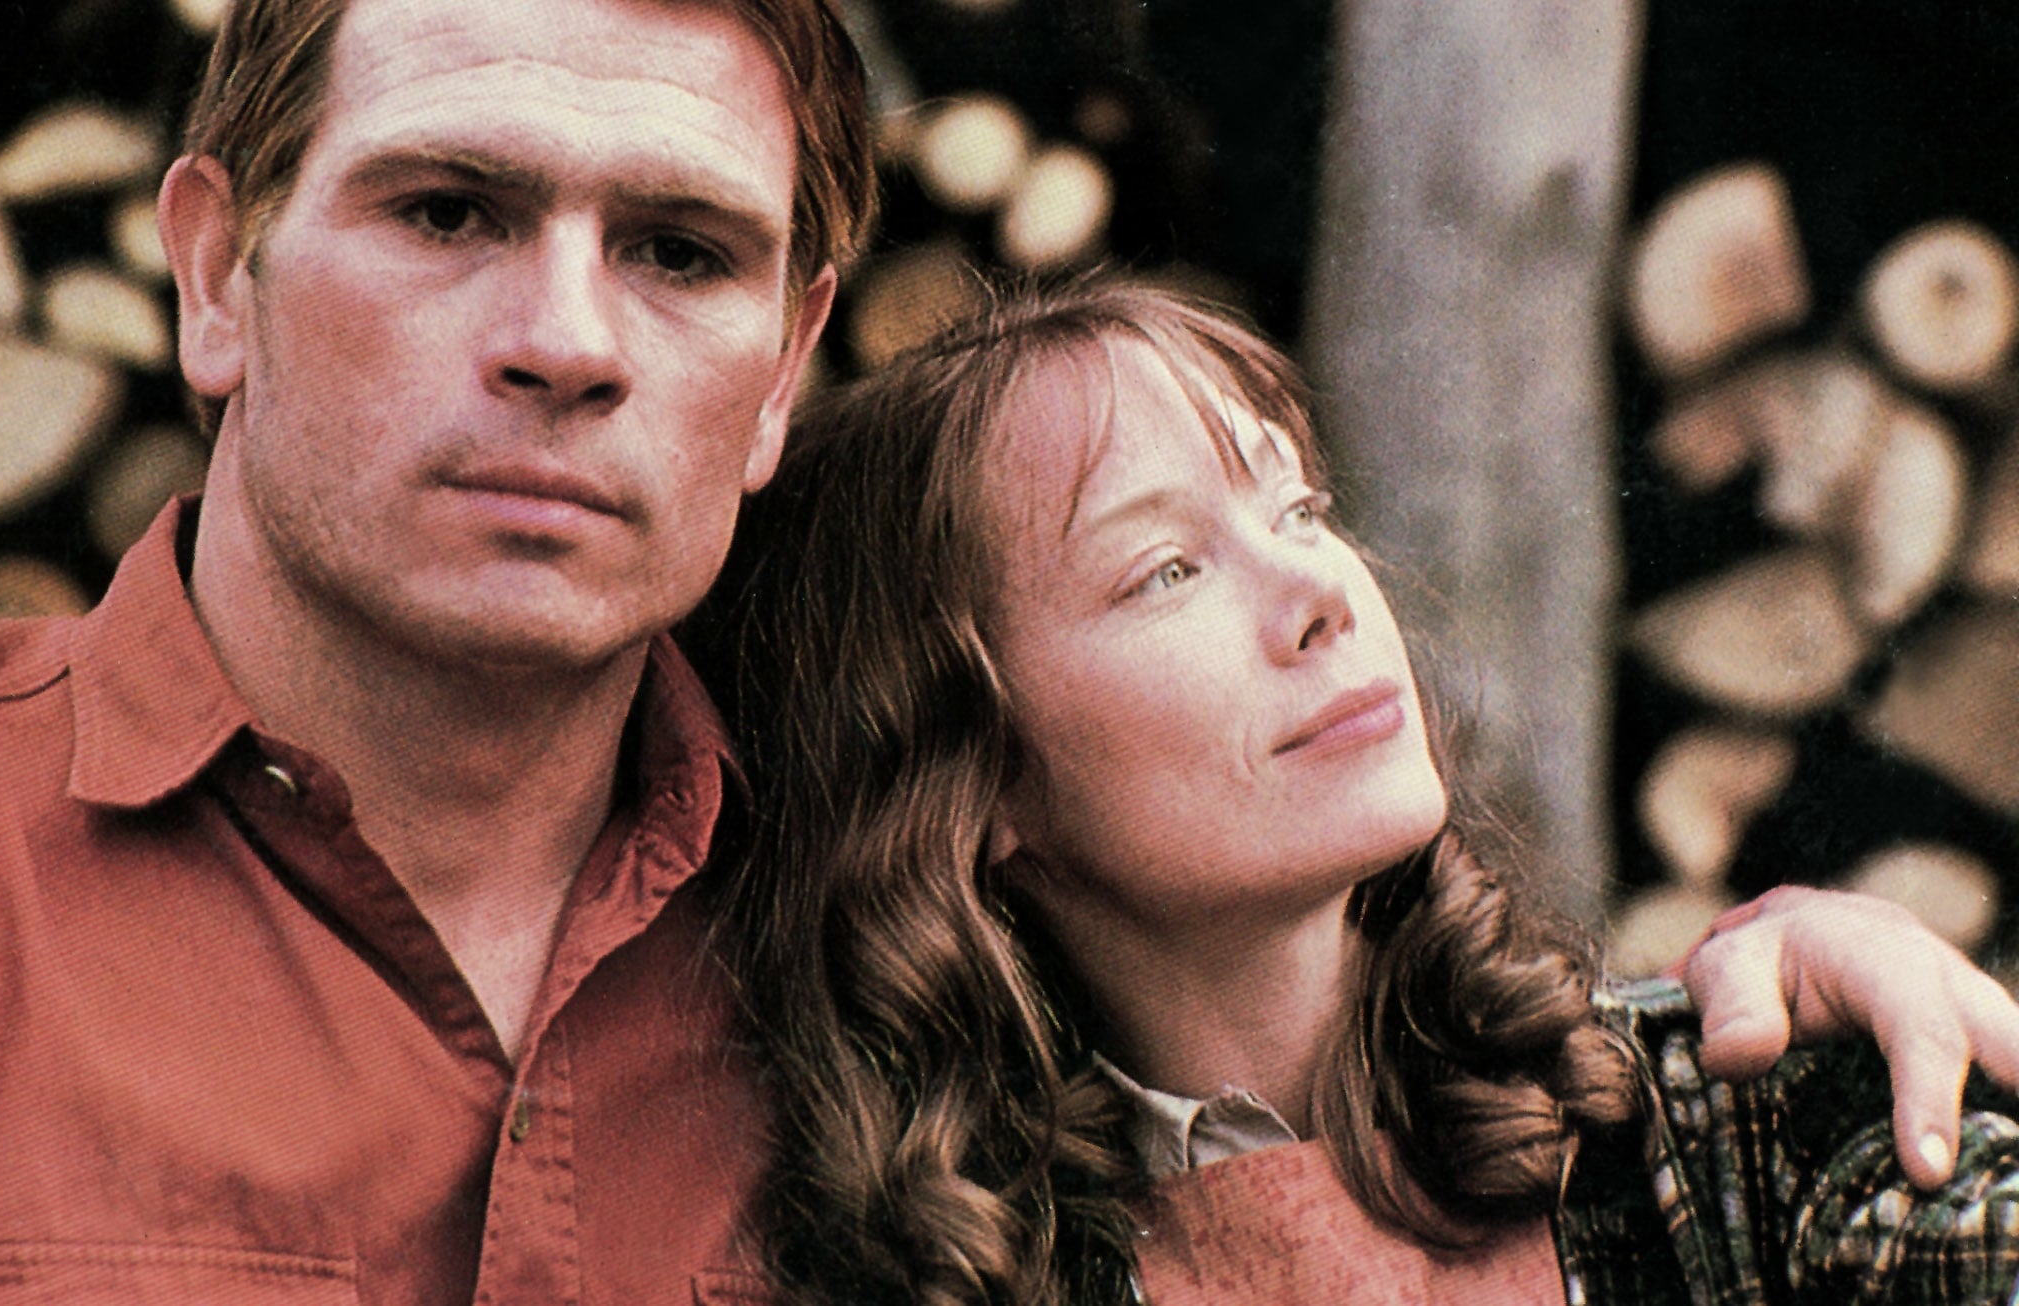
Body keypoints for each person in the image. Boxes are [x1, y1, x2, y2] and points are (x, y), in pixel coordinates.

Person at [0, 3, 1998, 1300]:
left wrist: (1751, 1035)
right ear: (216, 275)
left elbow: (1357, 1117)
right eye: (448, 208)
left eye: (680, 250)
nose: (566, 338)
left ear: (786, 366)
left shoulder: (938, 996)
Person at [696, 276, 2019, 1304]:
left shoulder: (1749, 1113)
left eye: (1299, 508)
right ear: (964, 778)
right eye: (1166, 569)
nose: (1322, 591)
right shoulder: (920, 1279)